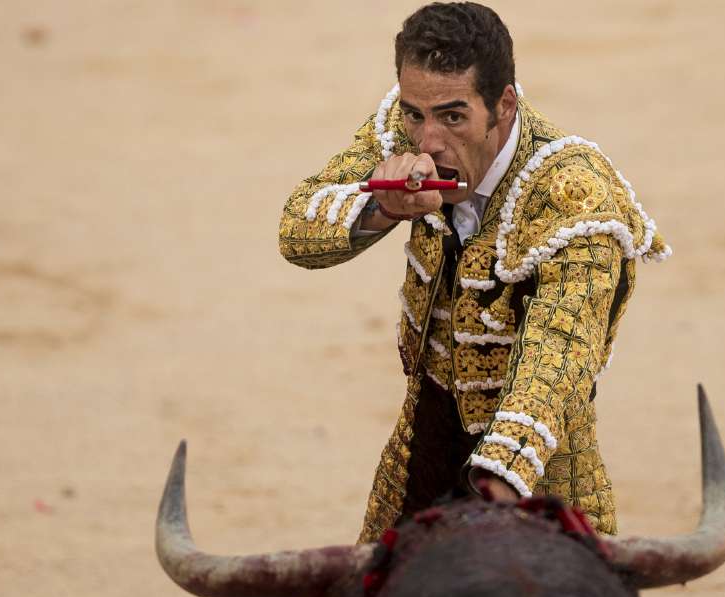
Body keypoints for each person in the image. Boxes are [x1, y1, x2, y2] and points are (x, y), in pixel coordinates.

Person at [278, 2, 670, 543]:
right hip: (425, 439)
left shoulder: (576, 196)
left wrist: (496, 492)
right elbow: (298, 229)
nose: (429, 142)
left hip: (539, 469)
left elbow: (556, 359)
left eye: (453, 117)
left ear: (504, 104)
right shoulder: (403, 127)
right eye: (417, 114)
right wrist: (383, 206)